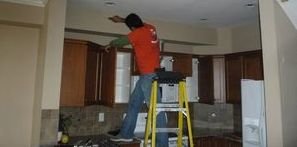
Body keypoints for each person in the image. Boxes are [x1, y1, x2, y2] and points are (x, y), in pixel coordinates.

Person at [106, 13, 169, 147]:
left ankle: (162, 144)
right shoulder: (150, 28)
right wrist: (123, 20)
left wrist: (109, 44)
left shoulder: (137, 33)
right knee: (134, 104)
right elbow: (137, 24)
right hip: (148, 75)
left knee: (156, 111)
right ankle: (126, 134)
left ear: (132, 27)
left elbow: (119, 41)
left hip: (149, 76)